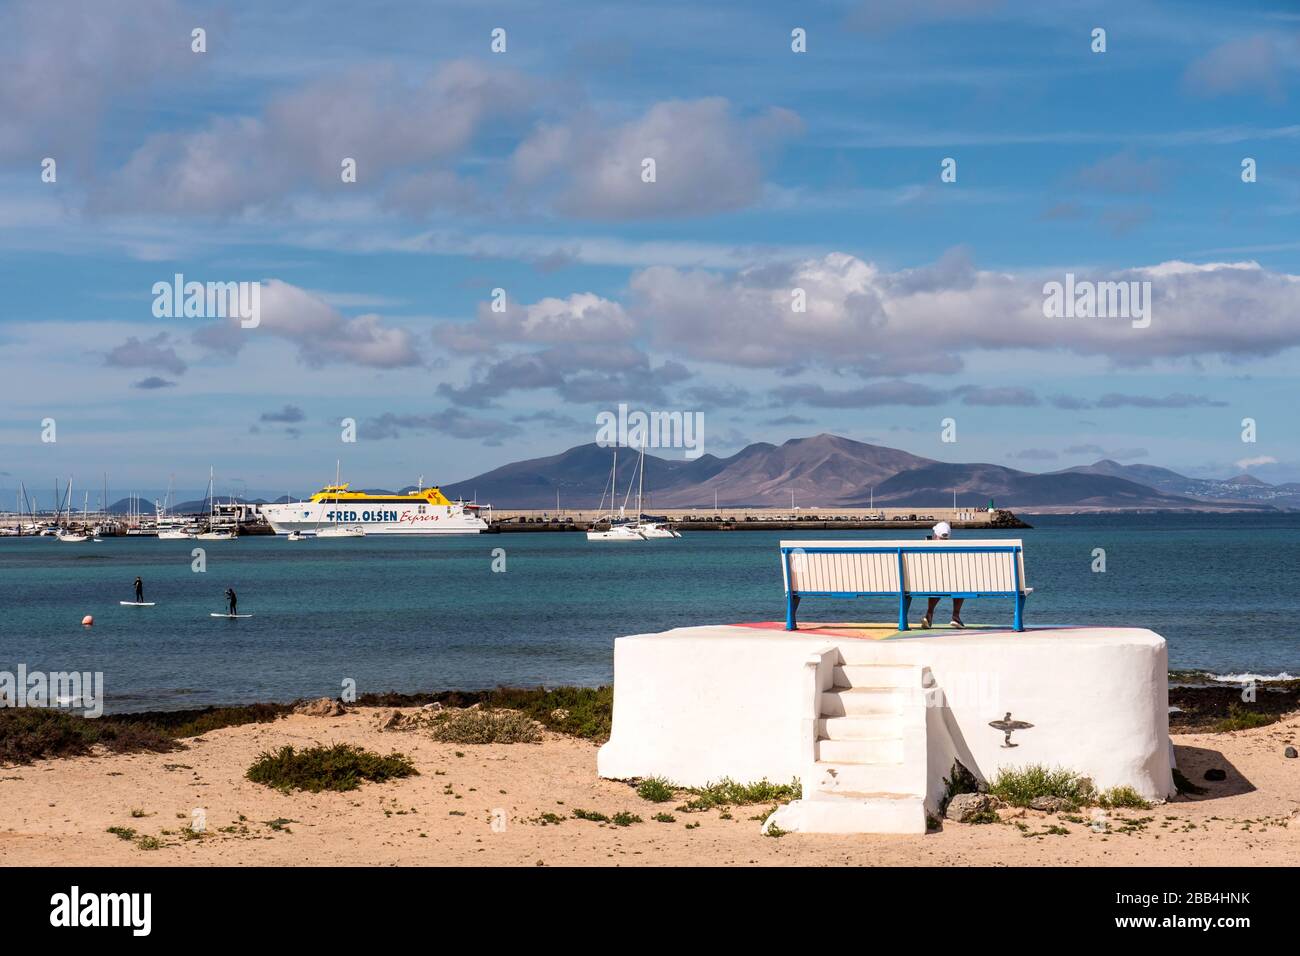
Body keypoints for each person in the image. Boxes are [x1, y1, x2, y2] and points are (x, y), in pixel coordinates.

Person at [920, 521, 964, 629]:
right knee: (961, 585)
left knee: (936, 583)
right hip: (951, 583)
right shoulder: (955, 550)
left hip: (924, 584)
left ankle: (929, 614)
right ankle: (956, 616)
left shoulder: (925, 547)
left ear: (935, 535)